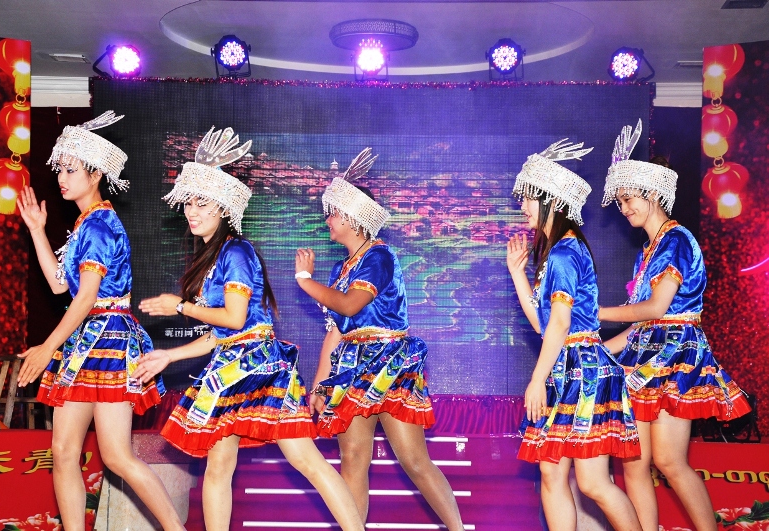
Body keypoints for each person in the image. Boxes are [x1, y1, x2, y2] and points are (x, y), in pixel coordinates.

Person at [132, 127, 364, 531]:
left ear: (223, 208)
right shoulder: (214, 256)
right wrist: (169, 355)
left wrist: (179, 306)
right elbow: (223, 334)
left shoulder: (236, 251)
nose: (191, 211)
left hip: (257, 367)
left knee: (305, 460)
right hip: (232, 365)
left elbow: (236, 320)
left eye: (202, 202)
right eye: (188, 201)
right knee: (219, 465)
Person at [16, 111, 186, 531]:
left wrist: (48, 346)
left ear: (95, 175)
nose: (62, 178)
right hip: (88, 339)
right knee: (64, 452)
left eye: (71, 170)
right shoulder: (86, 224)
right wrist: (37, 229)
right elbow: (61, 286)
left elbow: (88, 296)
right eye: (60, 169)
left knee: (115, 456)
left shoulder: (99, 225)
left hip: (107, 339)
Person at [294, 148, 464, 530]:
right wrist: (320, 384)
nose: (327, 220)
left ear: (351, 218)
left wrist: (305, 280)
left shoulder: (379, 257)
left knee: (414, 461)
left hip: (389, 364)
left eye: (332, 213)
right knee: (353, 459)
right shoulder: (341, 268)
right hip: (352, 367)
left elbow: (350, 305)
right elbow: (337, 328)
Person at [599, 120, 751, 531]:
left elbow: (656, 307)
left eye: (629, 199)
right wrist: (592, 347)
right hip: (644, 354)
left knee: (669, 461)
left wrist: (596, 313)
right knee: (634, 462)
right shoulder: (646, 251)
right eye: (621, 201)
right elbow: (640, 324)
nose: (624, 208)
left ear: (652, 194)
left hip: (675, 354)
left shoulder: (677, 240)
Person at [506, 139, 642, 531]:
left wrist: (536, 380)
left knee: (592, 483)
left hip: (583, 372)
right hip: (568, 369)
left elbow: (561, 324)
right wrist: (517, 274)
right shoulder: (556, 253)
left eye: (528, 198)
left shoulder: (564, 253)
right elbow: (542, 324)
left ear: (550, 200)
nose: (523, 206)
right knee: (551, 472)